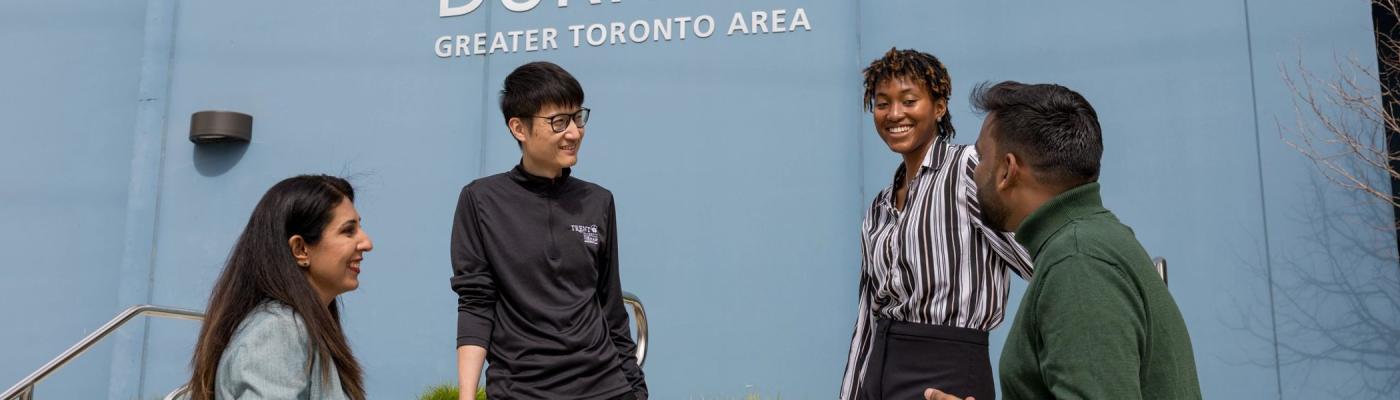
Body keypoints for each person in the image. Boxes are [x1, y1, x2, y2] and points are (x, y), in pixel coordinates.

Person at [925, 81, 1200, 399]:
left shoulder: (1078, 262)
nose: (974, 173)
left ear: (1007, 171)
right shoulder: (1093, 243)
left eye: (982, 157)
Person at [840, 48, 1033, 400]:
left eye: (909, 100)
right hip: (880, 370)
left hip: (948, 374)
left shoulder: (969, 170)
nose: (894, 113)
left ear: (939, 107)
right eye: (882, 103)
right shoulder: (879, 207)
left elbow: (1037, 259)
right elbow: (868, 316)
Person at [451, 61, 647, 400]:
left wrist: (635, 389)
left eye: (577, 117)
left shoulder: (598, 201)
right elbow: (476, 303)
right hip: (522, 390)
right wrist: (467, 396)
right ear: (519, 128)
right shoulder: (481, 200)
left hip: (605, 387)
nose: (573, 132)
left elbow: (609, 305)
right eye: (558, 121)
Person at [184, 175, 373, 400]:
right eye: (348, 231)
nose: (366, 243)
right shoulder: (278, 331)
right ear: (300, 249)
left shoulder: (300, 328)